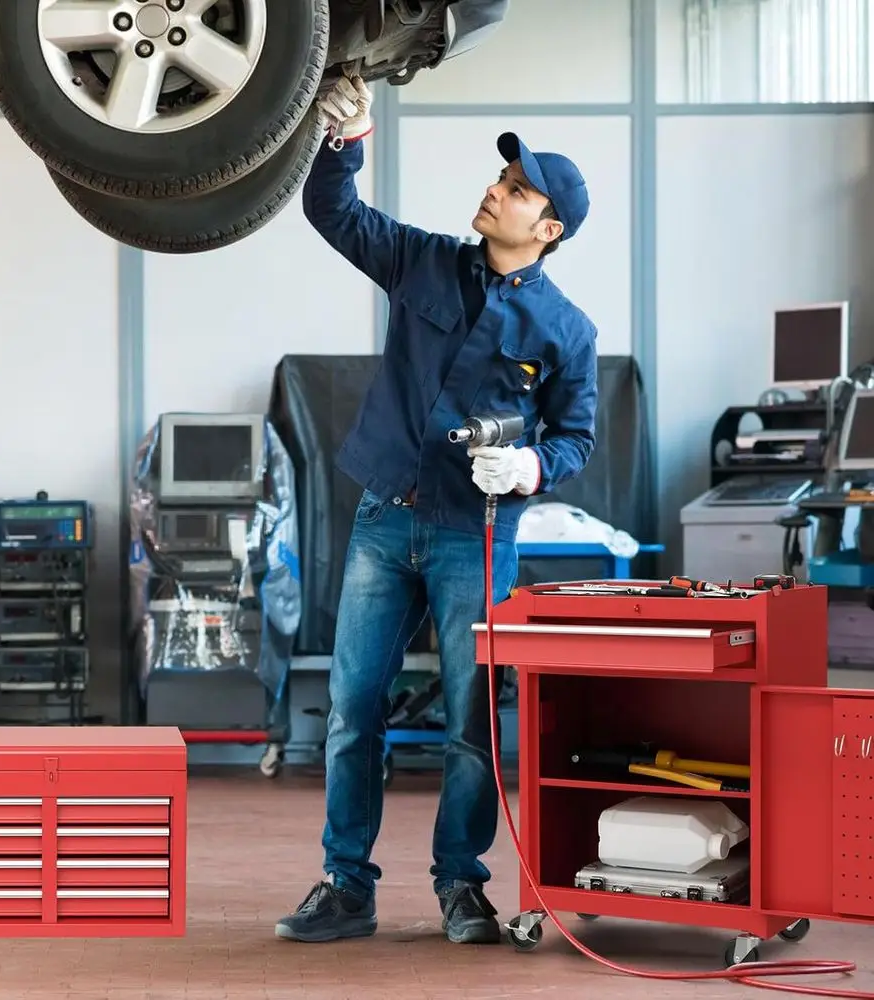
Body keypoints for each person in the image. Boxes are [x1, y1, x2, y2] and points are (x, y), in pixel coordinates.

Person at [275, 75, 599, 946]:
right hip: (385, 519)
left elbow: (578, 438)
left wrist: (531, 465)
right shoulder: (422, 260)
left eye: (519, 190)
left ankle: (462, 885)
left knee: (469, 724)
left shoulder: (568, 332)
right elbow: (332, 212)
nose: (497, 190)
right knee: (353, 711)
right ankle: (346, 886)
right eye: (503, 179)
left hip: (475, 537)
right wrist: (348, 137)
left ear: (549, 229)